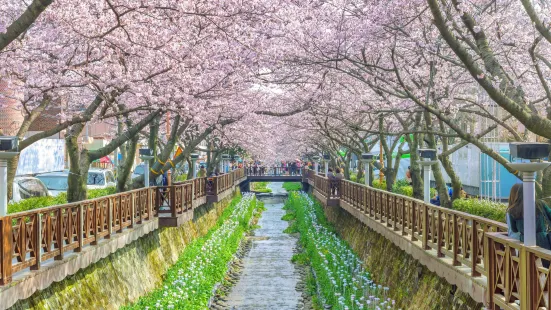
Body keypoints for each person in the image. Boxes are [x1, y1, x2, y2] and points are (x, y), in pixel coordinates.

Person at [507, 183, 551, 250]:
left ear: (519, 193)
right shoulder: (540, 204)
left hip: (524, 241)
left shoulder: (512, 209)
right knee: (544, 259)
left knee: (525, 259)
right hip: (542, 240)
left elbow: (514, 229)